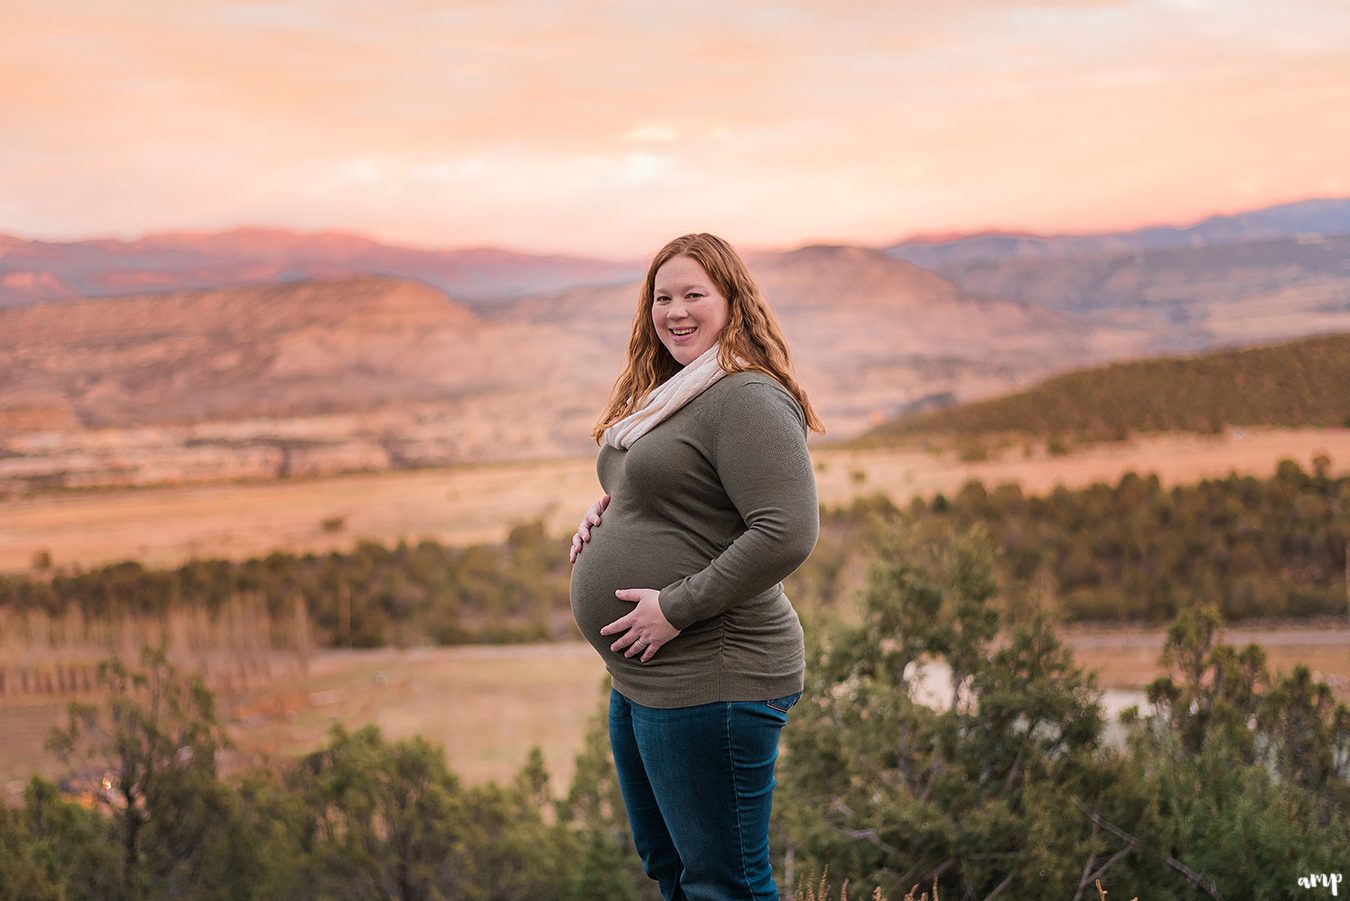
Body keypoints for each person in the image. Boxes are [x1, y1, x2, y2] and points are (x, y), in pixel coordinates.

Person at [568, 233, 825, 900]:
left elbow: (787, 531)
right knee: (671, 870)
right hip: (643, 676)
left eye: (693, 295)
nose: (675, 311)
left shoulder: (744, 396)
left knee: (725, 882)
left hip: (715, 672)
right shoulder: (677, 391)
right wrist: (615, 511)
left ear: (732, 302)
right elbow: (678, 488)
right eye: (663, 297)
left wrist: (674, 607)